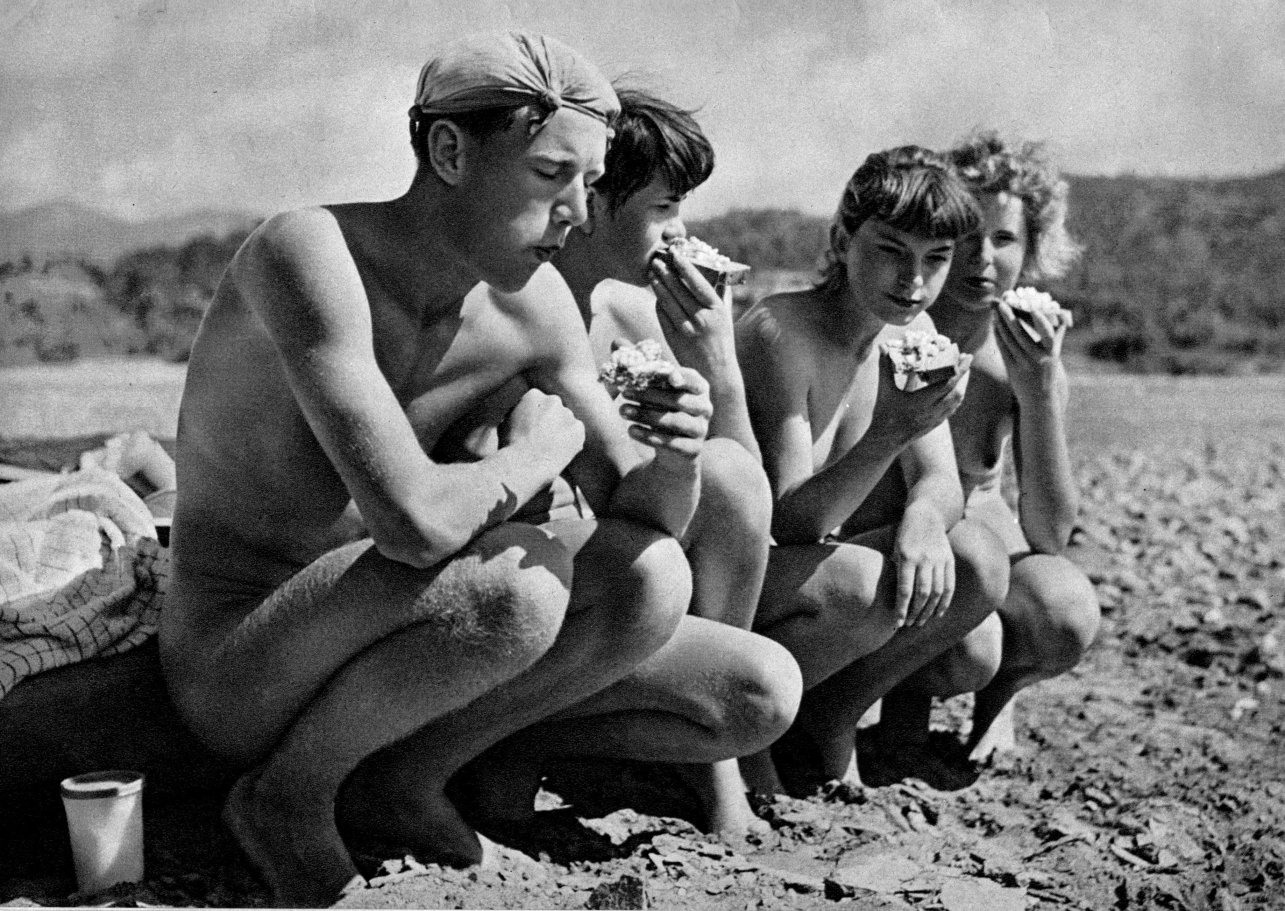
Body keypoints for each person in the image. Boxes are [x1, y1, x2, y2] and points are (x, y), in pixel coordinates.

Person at [158, 32, 791, 907]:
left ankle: (403, 780)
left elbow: (645, 518)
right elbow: (412, 524)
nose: (577, 212)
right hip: (247, 655)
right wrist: (536, 457)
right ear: (450, 152)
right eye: (550, 175)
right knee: (516, 587)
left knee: (667, 597)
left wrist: (676, 452)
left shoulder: (533, 304)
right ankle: (287, 798)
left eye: (588, 182)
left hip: (396, 638)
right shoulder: (309, 252)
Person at [454, 88, 797, 840]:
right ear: (593, 201)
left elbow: (744, 507)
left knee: (731, 478)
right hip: (530, 600)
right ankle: (500, 744)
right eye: (663, 209)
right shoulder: (505, 312)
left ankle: (691, 764)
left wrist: (717, 364)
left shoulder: (635, 315)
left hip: (616, 585)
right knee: (744, 682)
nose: (679, 233)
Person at [735, 146, 1010, 790]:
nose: (913, 279)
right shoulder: (782, 331)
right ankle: (749, 728)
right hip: (741, 593)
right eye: (891, 250)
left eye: (935, 259)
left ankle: (833, 713)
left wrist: (924, 518)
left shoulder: (909, 333)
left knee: (979, 559)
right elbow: (791, 523)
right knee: (864, 585)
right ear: (842, 240)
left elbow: (941, 480)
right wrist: (889, 432)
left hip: (815, 592)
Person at [898, 132, 1100, 762]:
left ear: (1033, 248)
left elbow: (1049, 533)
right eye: (964, 235)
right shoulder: (893, 322)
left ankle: (1000, 698)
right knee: (967, 648)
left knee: (1065, 611)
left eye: (1004, 239)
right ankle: (899, 701)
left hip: (982, 529)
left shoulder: (1025, 351)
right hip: (890, 526)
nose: (981, 258)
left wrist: (1039, 390)